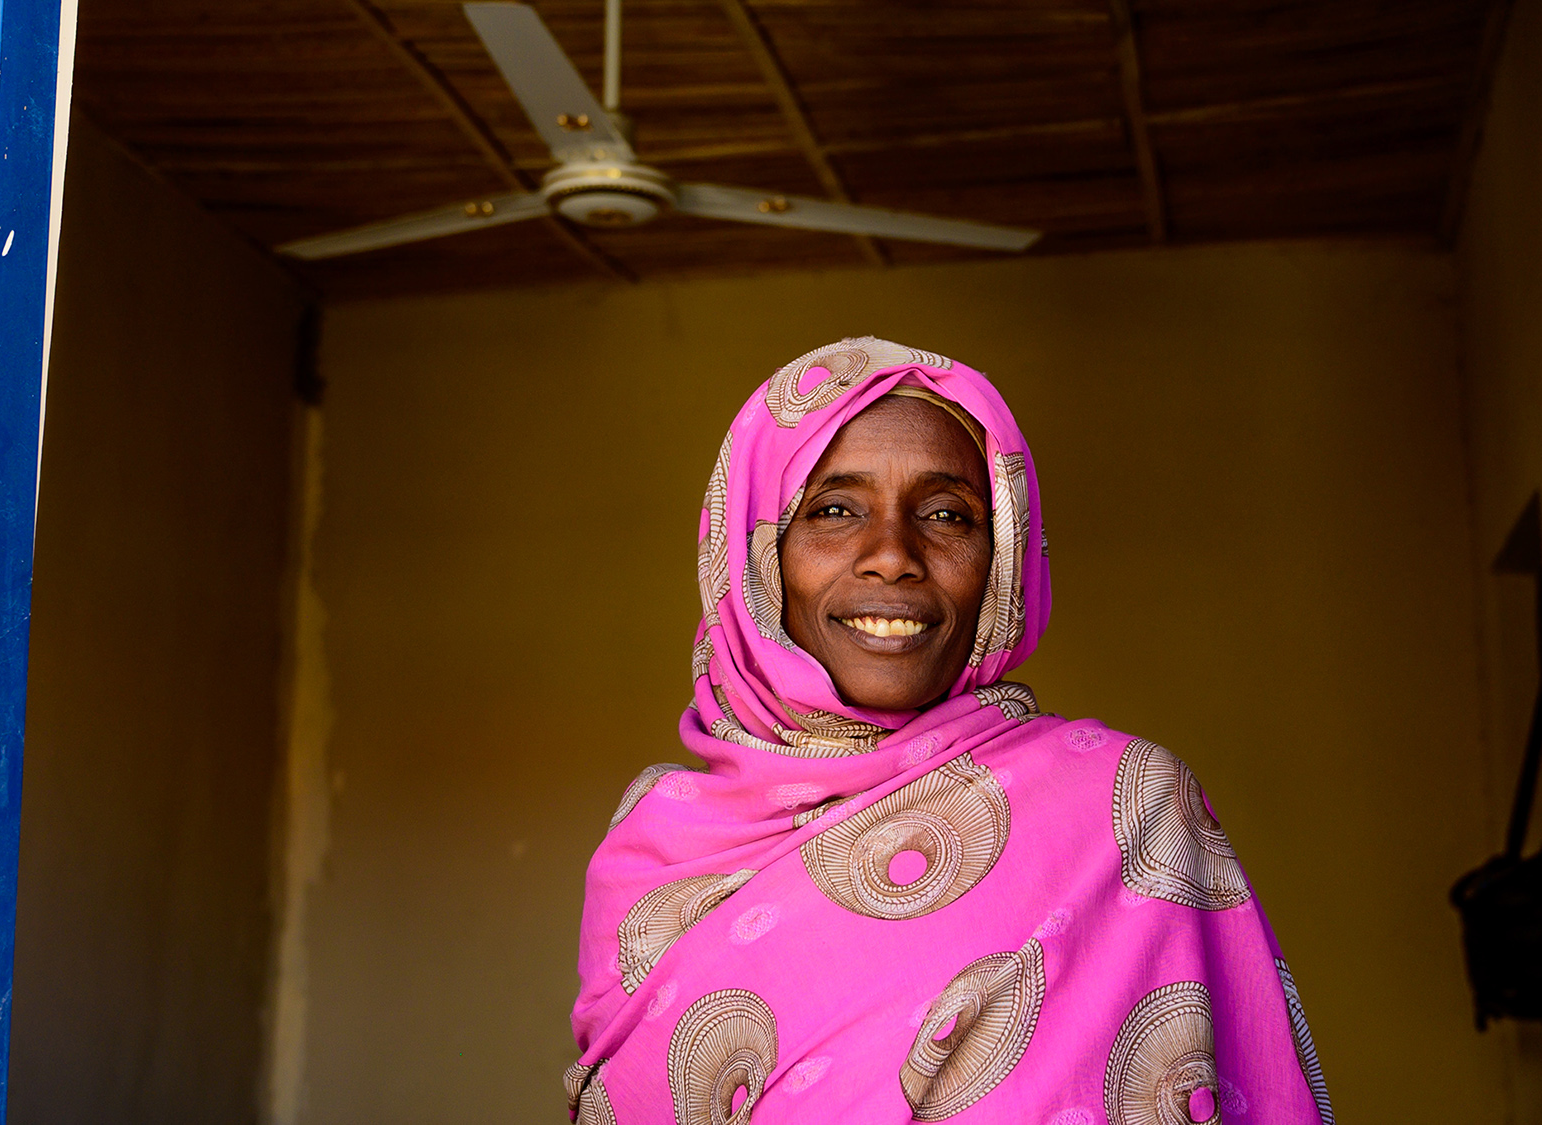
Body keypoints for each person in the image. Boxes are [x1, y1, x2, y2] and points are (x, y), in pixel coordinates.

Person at [568, 338, 1335, 1124]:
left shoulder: (1124, 812)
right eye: (834, 510)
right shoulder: (657, 859)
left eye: (946, 514)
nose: (892, 556)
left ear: (1002, 562)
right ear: (756, 555)